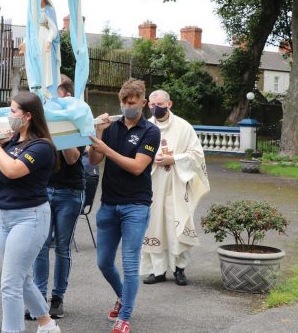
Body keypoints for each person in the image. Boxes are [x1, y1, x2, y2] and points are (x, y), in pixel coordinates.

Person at [0, 91, 60, 333]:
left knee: (10, 284)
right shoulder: (13, 141)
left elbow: (14, 170)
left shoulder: (41, 146)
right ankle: (46, 324)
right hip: (5, 217)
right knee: (21, 278)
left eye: (13, 110)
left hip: (30, 217)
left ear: (27, 116)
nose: (8, 114)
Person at [88, 78, 160, 333]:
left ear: (142, 102)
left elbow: (138, 166)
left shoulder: (150, 131)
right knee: (103, 262)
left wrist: (106, 148)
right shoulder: (112, 127)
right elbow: (94, 159)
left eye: (133, 103)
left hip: (136, 205)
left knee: (130, 263)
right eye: (124, 102)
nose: (128, 107)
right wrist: (98, 134)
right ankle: (123, 296)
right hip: (109, 204)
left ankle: (125, 316)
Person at [141, 90, 210, 286]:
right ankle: (157, 270)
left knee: (178, 223)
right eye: (152, 105)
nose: (156, 108)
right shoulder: (145, 126)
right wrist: (151, 160)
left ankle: (180, 269)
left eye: (160, 104)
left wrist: (174, 159)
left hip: (177, 183)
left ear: (169, 103)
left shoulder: (183, 127)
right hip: (153, 184)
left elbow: (197, 155)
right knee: (155, 225)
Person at [33, 79, 84, 319]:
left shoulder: (78, 118)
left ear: (67, 96)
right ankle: (39, 297)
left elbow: (73, 158)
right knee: (41, 245)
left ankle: (57, 298)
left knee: (62, 247)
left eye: (55, 96)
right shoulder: (42, 122)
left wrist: (62, 128)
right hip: (45, 189)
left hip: (69, 191)